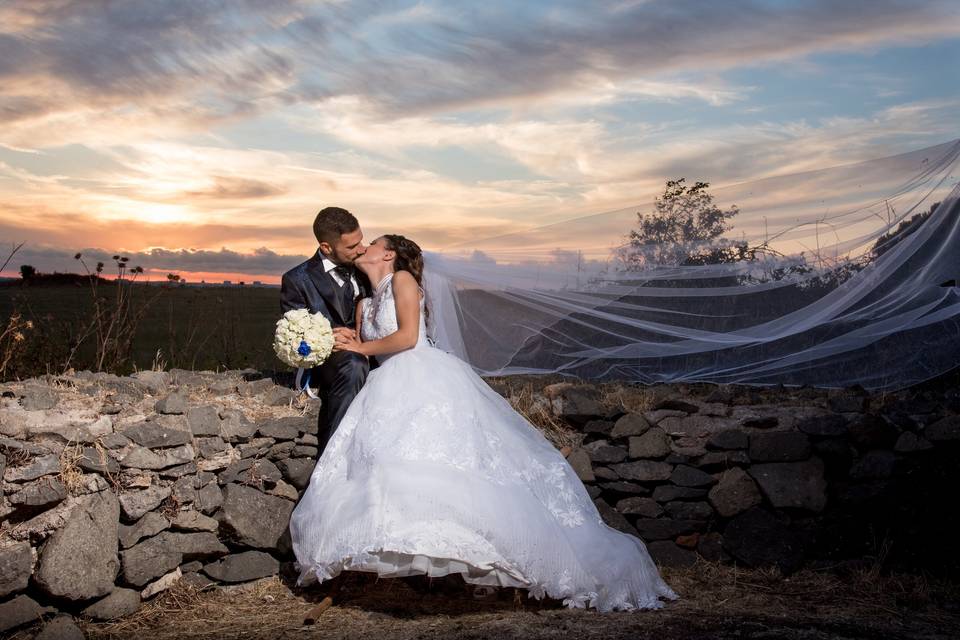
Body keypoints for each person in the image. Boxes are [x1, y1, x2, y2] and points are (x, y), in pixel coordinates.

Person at [288, 234, 680, 612]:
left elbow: (408, 337)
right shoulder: (364, 301)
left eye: (373, 243)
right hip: (385, 384)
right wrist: (337, 339)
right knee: (384, 467)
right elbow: (366, 347)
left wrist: (362, 345)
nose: (367, 246)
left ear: (388, 255)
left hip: (422, 376)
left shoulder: (403, 280)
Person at [279, 206, 372, 455]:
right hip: (333, 362)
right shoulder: (297, 280)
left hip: (373, 350)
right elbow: (295, 338)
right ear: (326, 248)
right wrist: (327, 337)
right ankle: (334, 456)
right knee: (354, 365)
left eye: (360, 241)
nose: (361, 249)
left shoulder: (367, 267)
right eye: (352, 247)